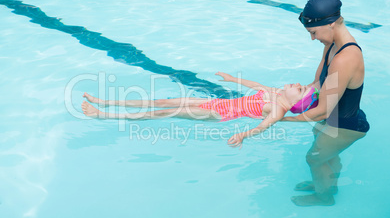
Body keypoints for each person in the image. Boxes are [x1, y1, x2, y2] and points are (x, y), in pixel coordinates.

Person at [282, 0, 370, 206]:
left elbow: (321, 110)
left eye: (313, 32)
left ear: (330, 24)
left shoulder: (346, 58)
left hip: (345, 125)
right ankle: (326, 184)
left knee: (314, 158)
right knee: (327, 156)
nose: (312, 38)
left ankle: (324, 197)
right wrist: (283, 100)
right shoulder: (331, 46)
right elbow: (317, 85)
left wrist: (280, 119)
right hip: (334, 118)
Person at [82, 72, 318, 149]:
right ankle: (106, 102)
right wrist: (232, 78)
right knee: (165, 102)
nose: (297, 85)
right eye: (301, 85)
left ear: (294, 103)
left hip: (218, 114)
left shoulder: (277, 110)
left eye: (300, 90)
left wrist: (243, 136)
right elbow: (255, 86)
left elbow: (262, 127)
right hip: (218, 104)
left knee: (163, 113)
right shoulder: (276, 93)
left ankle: (101, 114)